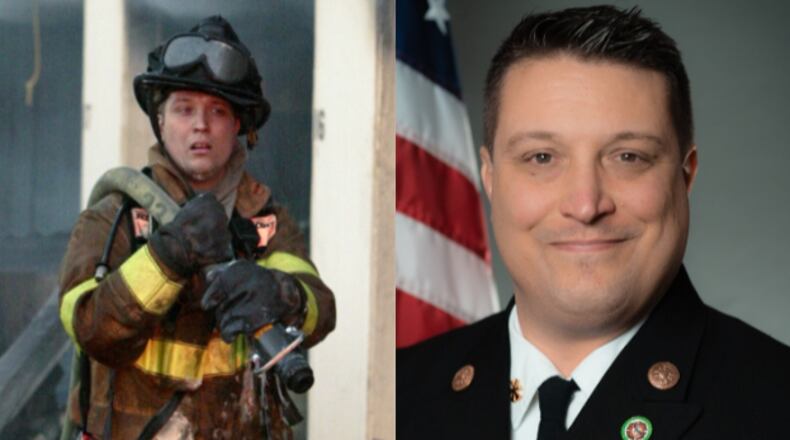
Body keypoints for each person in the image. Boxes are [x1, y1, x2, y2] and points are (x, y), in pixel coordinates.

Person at [397, 5, 790, 439]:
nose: (586, 205)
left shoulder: (776, 405)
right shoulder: (393, 400)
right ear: (490, 178)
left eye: (628, 157)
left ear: (685, 175)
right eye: (542, 158)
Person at [58, 16, 335, 439]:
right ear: (161, 121)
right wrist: (165, 259)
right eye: (184, 109)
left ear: (239, 125)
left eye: (218, 111)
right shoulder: (114, 215)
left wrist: (281, 293)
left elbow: (321, 309)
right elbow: (90, 330)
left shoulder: (266, 220)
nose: (200, 125)